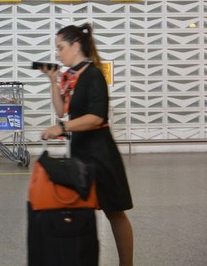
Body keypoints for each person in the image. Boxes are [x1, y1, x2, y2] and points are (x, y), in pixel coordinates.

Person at [39, 23, 134, 266]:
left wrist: (61, 129)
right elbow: (62, 111)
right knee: (81, 211)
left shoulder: (93, 75)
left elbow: (96, 118)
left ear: (76, 45)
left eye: (60, 48)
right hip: (80, 154)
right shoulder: (71, 77)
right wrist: (52, 81)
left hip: (101, 155)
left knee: (114, 211)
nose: (57, 53)